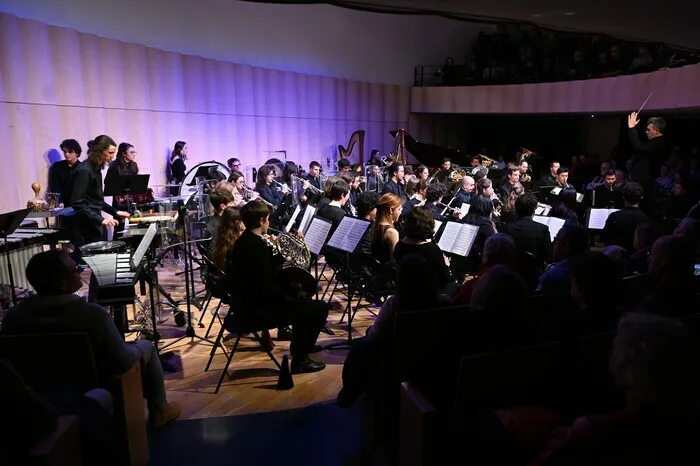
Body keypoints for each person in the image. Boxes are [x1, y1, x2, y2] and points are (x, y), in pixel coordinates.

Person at [1, 250, 181, 427]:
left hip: (38, 391)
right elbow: (122, 363)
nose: (80, 272)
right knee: (146, 346)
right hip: (90, 389)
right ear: (63, 284)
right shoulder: (92, 315)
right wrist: (137, 347)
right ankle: (159, 410)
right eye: (76, 271)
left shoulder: (14, 317)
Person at [226, 200, 328, 373]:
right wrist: (293, 293)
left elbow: (264, 274)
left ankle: (301, 348)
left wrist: (279, 257)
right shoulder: (256, 247)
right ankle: (301, 358)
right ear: (261, 221)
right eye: (268, 219)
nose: (269, 223)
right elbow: (265, 287)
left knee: (307, 303)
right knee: (318, 308)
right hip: (256, 311)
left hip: (247, 304)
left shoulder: (246, 241)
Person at [69, 135, 130, 247]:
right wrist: (101, 219)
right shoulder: (84, 170)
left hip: (95, 223)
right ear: (100, 152)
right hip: (85, 226)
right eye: (110, 153)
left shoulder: (95, 168)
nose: (113, 157)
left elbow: (96, 200)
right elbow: (77, 203)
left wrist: (115, 212)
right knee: (91, 261)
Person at [627, 112, 667, 187]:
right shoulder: (654, 141)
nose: (646, 132)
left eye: (649, 130)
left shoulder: (658, 143)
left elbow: (637, 146)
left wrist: (632, 128)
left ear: (657, 131)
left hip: (644, 183)